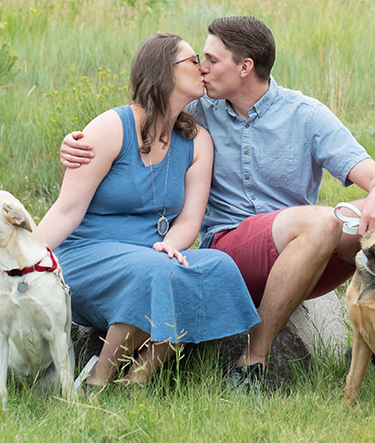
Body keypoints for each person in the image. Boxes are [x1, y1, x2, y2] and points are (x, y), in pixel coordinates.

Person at [60, 16, 375, 392]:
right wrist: (77, 142)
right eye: (198, 59)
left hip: (303, 253)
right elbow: (144, 112)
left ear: (244, 67)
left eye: (210, 59)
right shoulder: (199, 112)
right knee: (321, 222)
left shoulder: (305, 114)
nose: (202, 69)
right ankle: (252, 362)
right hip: (236, 245)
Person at [37, 32, 260, 390]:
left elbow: (190, 219)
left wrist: (171, 245)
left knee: (218, 266)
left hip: (154, 254)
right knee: (158, 272)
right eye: (192, 61)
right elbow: (66, 210)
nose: (203, 68)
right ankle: (97, 380)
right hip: (88, 256)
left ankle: (138, 379)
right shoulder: (111, 128)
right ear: (164, 72)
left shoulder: (197, 140)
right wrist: (24, 261)